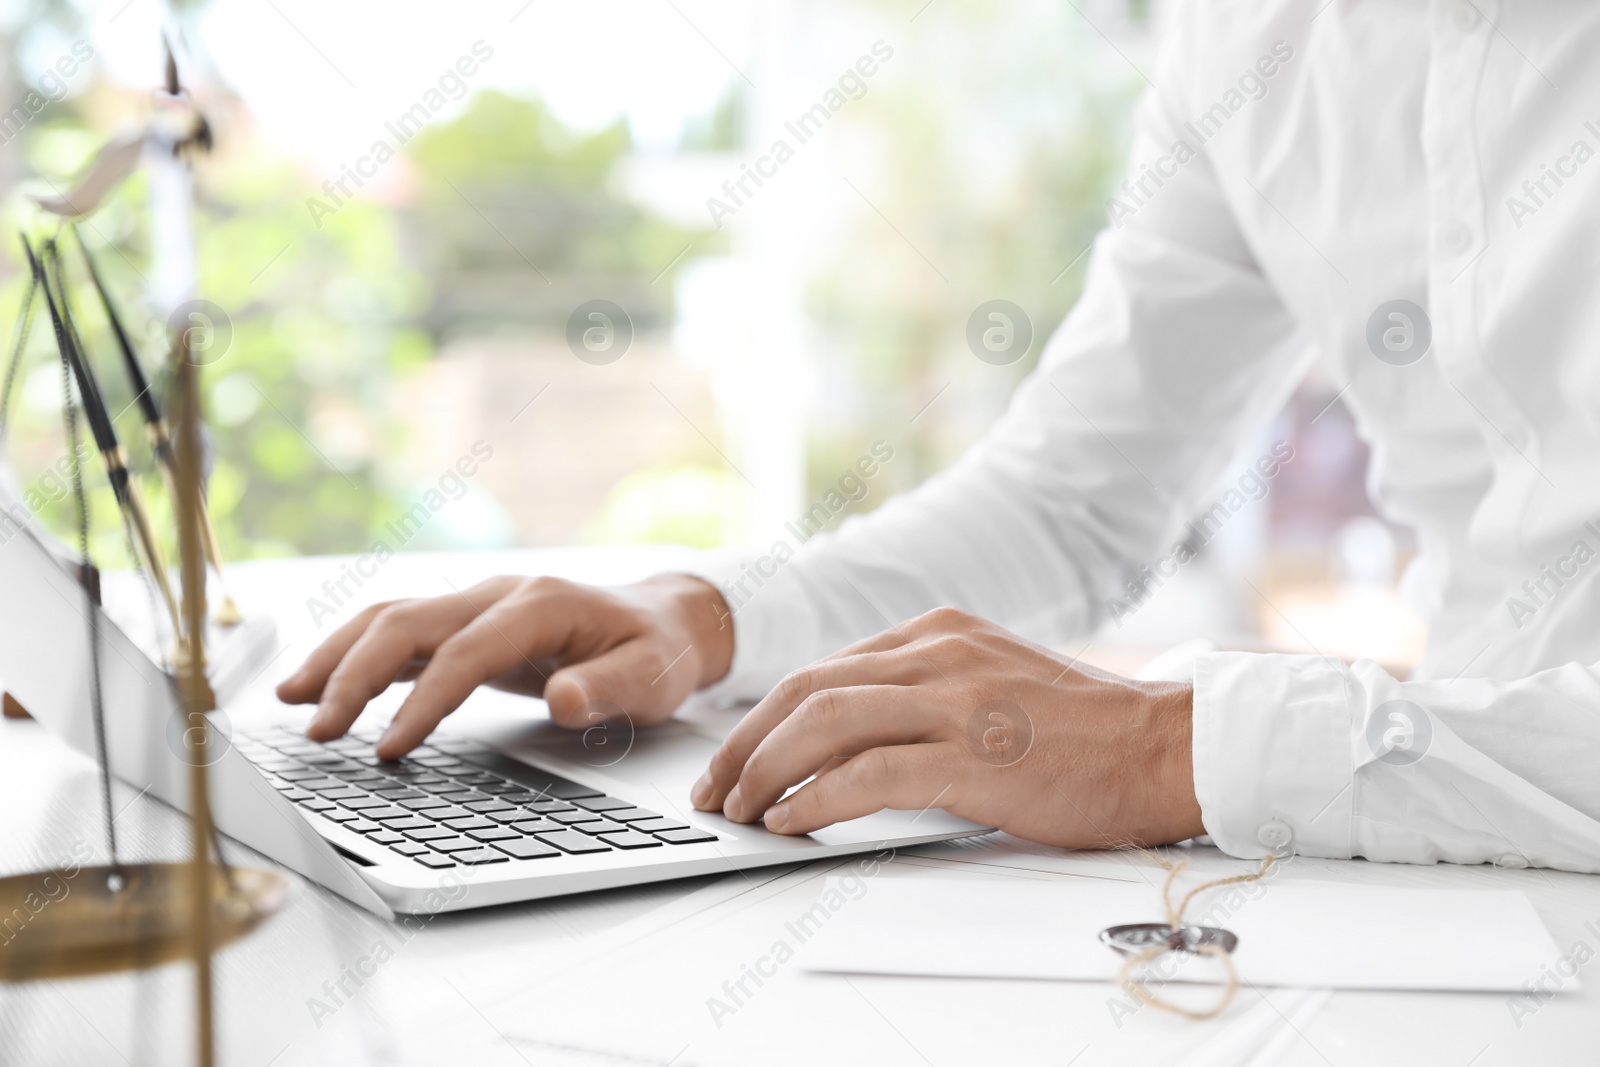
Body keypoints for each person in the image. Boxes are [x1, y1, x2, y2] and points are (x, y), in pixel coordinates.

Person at [280, 2, 1600, 873]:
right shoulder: (1252, 40)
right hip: (1453, 850)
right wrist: (708, 617)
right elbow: (1072, 500)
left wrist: (1168, 745)